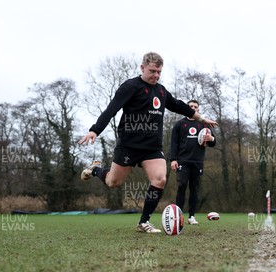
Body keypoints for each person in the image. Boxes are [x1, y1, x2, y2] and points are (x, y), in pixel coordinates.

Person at [78, 52, 217, 233]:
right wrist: (95, 130)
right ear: (142, 68)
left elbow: (179, 105)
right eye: (152, 71)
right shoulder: (130, 87)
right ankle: (96, 169)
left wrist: (201, 119)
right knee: (113, 182)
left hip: (151, 148)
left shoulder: (160, 91)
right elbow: (111, 109)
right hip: (128, 145)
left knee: (160, 179)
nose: (156, 75)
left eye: (159, 72)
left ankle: (144, 222)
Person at [169, 100, 216, 224]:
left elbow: (213, 142)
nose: (193, 108)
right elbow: (174, 143)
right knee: (181, 186)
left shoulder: (203, 125)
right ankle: (178, 216)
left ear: (198, 110)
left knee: (194, 188)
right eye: (191, 106)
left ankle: (191, 216)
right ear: (186, 108)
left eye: (196, 107)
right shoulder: (179, 124)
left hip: (197, 162)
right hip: (183, 161)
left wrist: (211, 138)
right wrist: (173, 159)